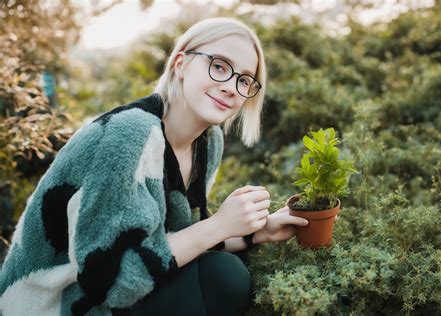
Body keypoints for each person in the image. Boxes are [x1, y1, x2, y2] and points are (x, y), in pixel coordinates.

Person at [0, 17, 309, 315]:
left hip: (109, 294)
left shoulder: (207, 141)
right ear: (181, 64)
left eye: (244, 80)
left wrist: (255, 233)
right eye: (219, 66)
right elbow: (109, 280)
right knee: (222, 277)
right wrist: (219, 224)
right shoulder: (129, 134)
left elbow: (173, 239)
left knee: (221, 275)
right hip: (54, 302)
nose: (231, 87)